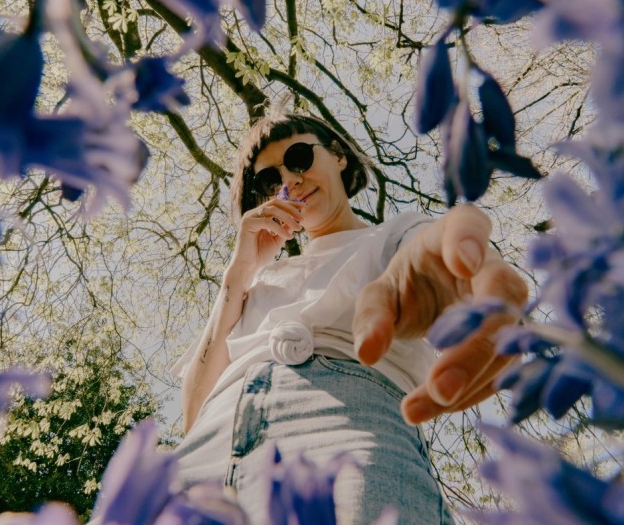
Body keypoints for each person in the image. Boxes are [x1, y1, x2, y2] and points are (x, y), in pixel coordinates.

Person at [170, 112, 527, 524]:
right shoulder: (255, 282)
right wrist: (238, 274)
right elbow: (195, 415)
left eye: (299, 157)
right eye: (271, 180)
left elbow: (432, 254)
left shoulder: (391, 236)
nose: (290, 181)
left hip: (350, 427)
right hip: (210, 453)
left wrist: (467, 274)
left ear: (338, 156)